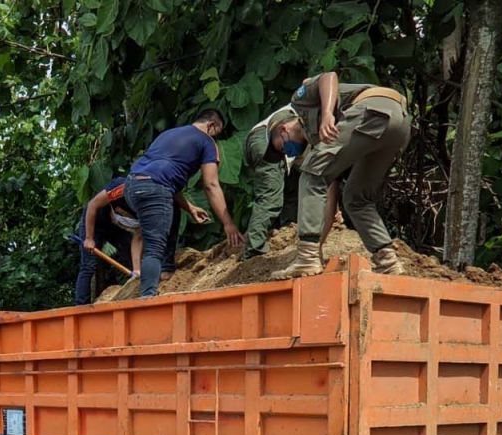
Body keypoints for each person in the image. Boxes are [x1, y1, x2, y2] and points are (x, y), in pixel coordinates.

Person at [265, 72, 410, 279]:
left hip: (373, 109)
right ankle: (388, 261)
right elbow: (327, 196)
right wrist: (318, 246)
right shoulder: (321, 144)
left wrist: (326, 115)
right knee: (355, 198)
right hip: (398, 123)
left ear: (283, 129)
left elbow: (328, 76)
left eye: (280, 147)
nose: (286, 153)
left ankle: (306, 259)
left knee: (309, 173)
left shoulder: (300, 102)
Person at [124, 109, 244, 297]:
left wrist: (189, 207)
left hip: (132, 186)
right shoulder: (206, 141)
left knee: (171, 208)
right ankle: (147, 295)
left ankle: (166, 269)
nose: (216, 137)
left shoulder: (169, 134)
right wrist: (228, 223)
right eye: (217, 132)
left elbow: (166, 179)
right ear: (211, 125)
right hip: (155, 189)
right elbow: (211, 184)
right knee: (155, 244)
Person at [73, 178, 210, 304]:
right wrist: (89, 238)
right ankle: (81, 306)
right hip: (95, 221)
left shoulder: (148, 208)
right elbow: (92, 205)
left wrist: (137, 270)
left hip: (117, 226)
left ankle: (138, 283)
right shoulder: (122, 187)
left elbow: (138, 238)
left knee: (132, 256)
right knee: (89, 265)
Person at [243, 104, 301, 257]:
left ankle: (287, 228)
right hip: (266, 138)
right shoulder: (320, 108)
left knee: (292, 188)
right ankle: (254, 250)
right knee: (270, 199)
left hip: (266, 136)